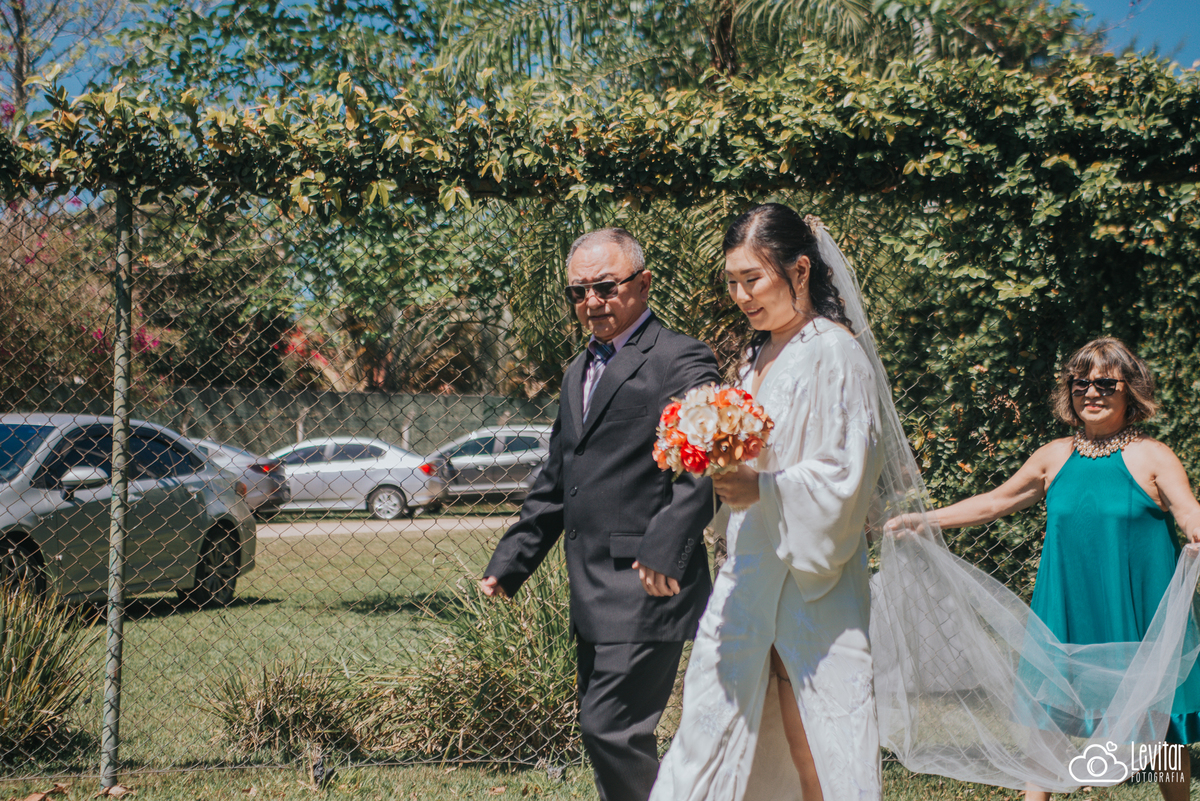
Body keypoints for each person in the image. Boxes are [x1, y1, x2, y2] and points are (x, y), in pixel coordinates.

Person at [886, 337, 1200, 801]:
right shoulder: (1054, 456)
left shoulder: (1154, 455)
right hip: (1068, 605)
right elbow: (996, 502)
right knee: (1049, 716)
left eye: (1104, 383)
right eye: (1080, 383)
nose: (1090, 392)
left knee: (1163, 728)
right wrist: (923, 520)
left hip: (1139, 607)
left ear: (1129, 390)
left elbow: (1187, 510)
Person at [650, 203, 885, 801]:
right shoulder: (756, 357)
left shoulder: (835, 353)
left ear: (799, 271)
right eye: (732, 282)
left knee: (818, 735)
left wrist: (764, 488)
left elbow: (847, 474)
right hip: (751, 570)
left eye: (752, 279)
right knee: (714, 722)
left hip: (815, 585)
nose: (741, 295)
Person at [479, 227, 720, 801]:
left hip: (647, 579)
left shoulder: (679, 357)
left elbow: (705, 458)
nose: (592, 302)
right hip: (590, 587)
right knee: (613, 732)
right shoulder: (576, 370)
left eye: (606, 287)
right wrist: (512, 560)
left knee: (608, 727)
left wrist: (667, 548)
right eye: (579, 292)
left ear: (644, 283)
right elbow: (560, 478)